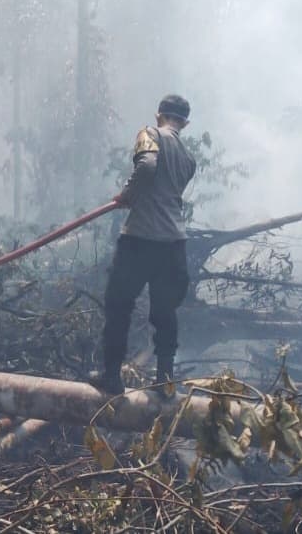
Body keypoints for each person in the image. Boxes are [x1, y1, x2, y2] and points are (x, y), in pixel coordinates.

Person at [90, 95, 197, 396]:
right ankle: (164, 384)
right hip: (174, 244)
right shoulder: (189, 159)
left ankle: (111, 376)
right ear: (185, 123)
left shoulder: (149, 134)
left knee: (119, 305)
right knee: (165, 312)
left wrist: (127, 194)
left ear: (159, 114)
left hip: (140, 239)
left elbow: (148, 167)